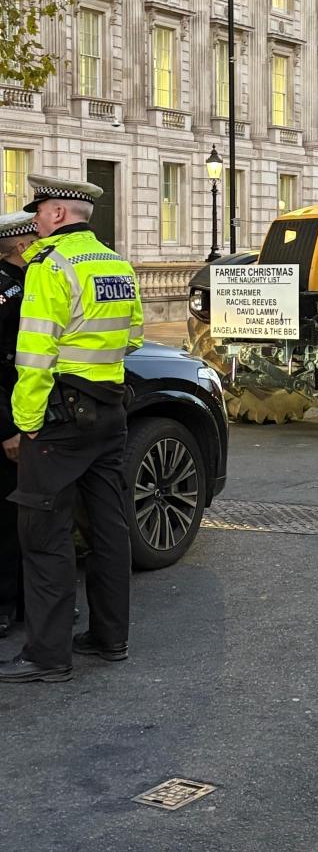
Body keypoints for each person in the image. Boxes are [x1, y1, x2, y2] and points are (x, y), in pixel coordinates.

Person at [0, 175, 144, 684]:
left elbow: (34, 354)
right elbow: (134, 336)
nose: (33, 222)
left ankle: (47, 655)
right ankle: (110, 638)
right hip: (110, 411)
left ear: (59, 214)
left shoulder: (49, 265)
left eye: (38, 212)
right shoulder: (116, 263)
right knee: (108, 527)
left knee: (44, 535)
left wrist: (27, 424)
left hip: (59, 418)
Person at [0, 212, 40, 638]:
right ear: (20, 246)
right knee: (8, 519)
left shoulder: (32, 282)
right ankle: (6, 604)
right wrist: (8, 429)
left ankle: (31, 603)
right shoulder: (6, 291)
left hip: (33, 417)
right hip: (12, 421)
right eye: (34, 236)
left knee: (34, 517)